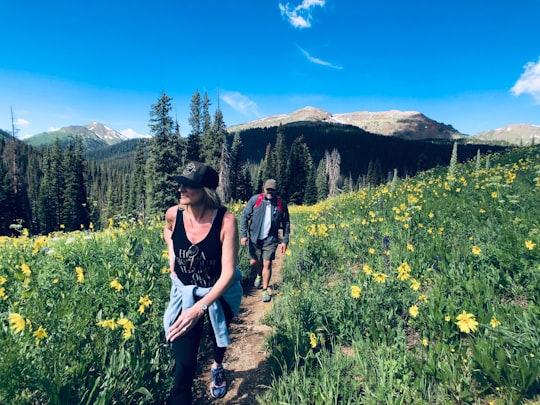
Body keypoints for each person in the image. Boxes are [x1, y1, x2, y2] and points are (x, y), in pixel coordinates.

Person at [163, 161, 243, 404]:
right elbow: (168, 231)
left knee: (218, 336)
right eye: (180, 184)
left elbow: (228, 273)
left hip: (220, 293)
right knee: (184, 365)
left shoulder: (225, 221)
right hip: (185, 294)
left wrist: (201, 307)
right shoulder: (173, 214)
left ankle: (217, 365)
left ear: (206, 190)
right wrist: (172, 253)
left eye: (188, 185)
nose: (181, 189)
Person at [240, 179, 290, 302]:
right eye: (268, 189)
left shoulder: (280, 204)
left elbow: (286, 223)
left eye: (272, 189)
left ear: (276, 190)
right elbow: (244, 217)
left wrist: (284, 241)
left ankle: (265, 289)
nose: (270, 192)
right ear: (264, 189)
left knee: (267, 263)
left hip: (271, 239)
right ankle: (259, 274)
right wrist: (243, 235)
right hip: (254, 238)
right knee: (253, 262)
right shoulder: (255, 200)